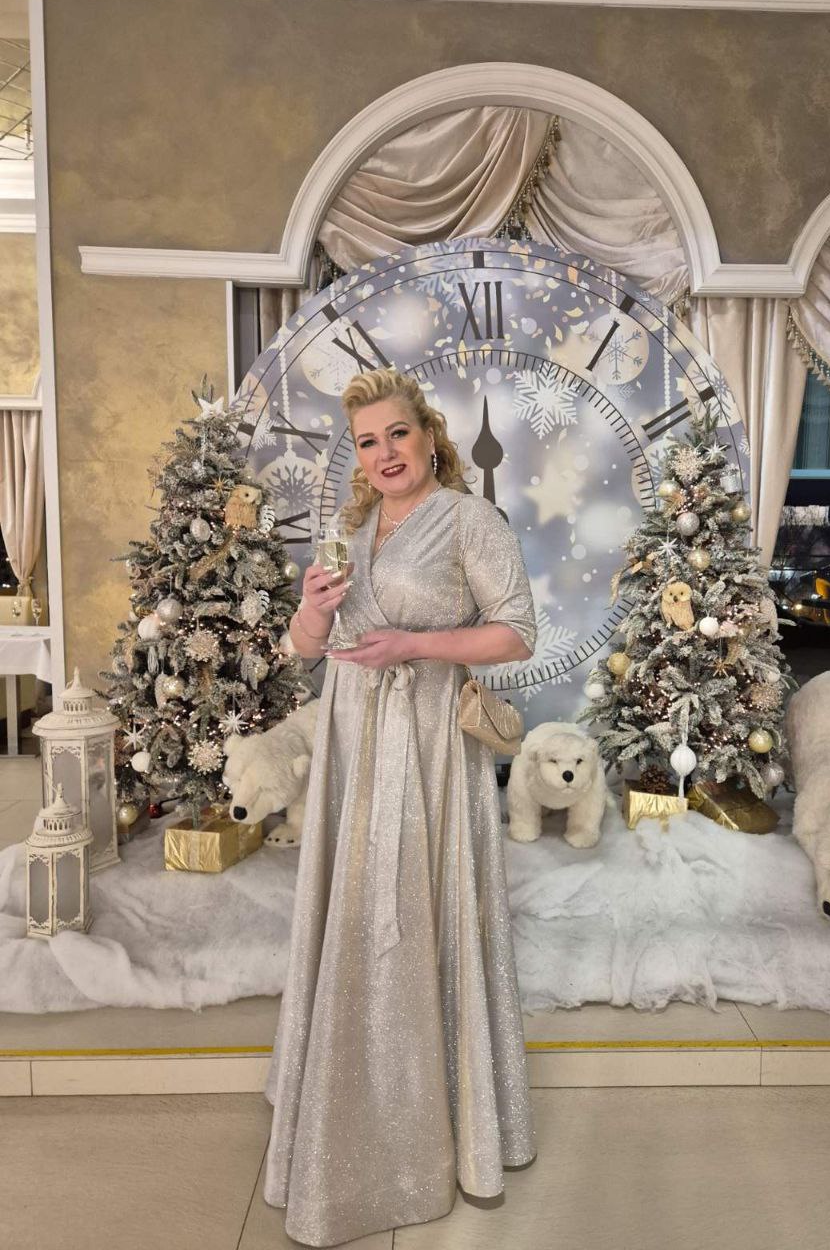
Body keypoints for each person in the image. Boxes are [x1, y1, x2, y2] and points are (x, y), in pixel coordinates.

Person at [263, 367, 538, 1247]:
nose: (384, 453)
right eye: (367, 441)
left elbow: (517, 632)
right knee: (354, 913)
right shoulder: (350, 533)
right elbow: (306, 649)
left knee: (421, 910)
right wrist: (312, 612)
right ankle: (341, 1095)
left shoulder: (469, 520)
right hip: (355, 745)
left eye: (397, 434)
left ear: (428, 436)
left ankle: (434, 1124)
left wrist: (414, 644)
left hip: (428, 748)